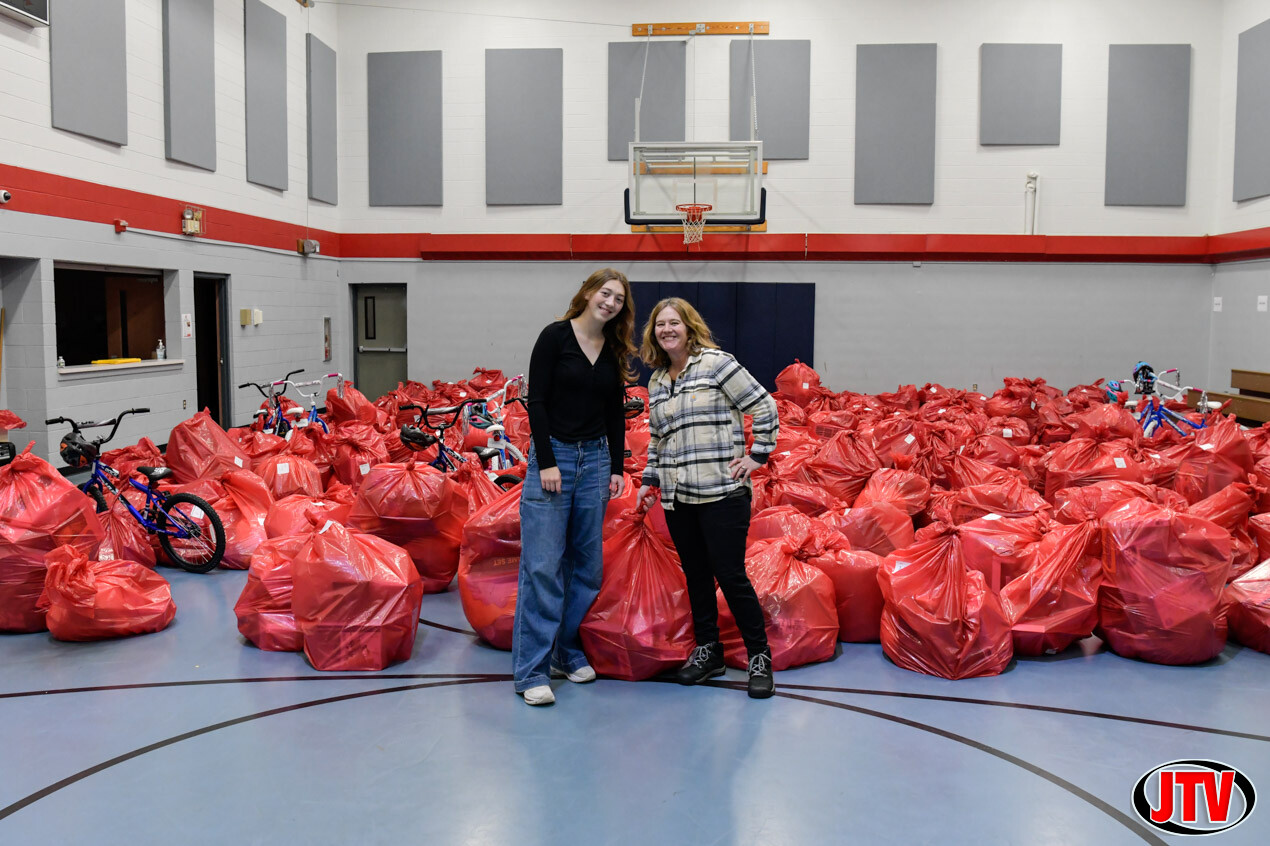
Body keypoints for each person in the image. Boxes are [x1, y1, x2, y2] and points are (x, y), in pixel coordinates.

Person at [636, 299, 780, 699]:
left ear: (689, 327)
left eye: (674, 323)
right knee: (696, 576)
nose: (667, 330)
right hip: (678, 496)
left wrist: (757, 456)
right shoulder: (658, 381)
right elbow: (658, 438)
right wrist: (649, 480)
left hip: (722, 493)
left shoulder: (717, 364)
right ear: (653, 333)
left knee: (730, 576)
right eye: (660, 324)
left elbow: (764, 405)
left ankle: (759, 656)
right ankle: (709, 651)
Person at [513, 268, 634, 706]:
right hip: (556, 459)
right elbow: (537, 401)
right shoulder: (555, 337)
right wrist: (546, 460)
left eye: (619, 299)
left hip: (596, 462)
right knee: (543, 566)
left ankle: (564, 650)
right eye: (606, 293)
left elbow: (615, 411)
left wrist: (616, 465)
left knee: (587, 568)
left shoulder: (612, 347)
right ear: (587, 293)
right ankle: (532, 670)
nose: (611, 303)